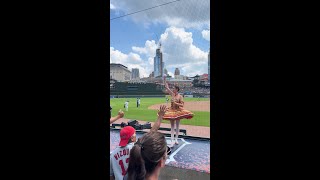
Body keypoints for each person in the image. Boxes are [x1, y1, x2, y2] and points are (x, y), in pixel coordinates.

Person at [124, 105, 168, 180]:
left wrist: (160, 117)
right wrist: (160, 117)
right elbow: (150, 134)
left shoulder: (137, 148)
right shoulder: (137, 148)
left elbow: (150, 135)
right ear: (161, 162)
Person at [163, 76, 194, 147]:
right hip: (171, 110)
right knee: (172, 126)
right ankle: (172, 140)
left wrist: (176, 103)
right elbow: (166, 87)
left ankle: (176, 139)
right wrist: (164, 80)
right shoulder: (172, 94)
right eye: (173, 88)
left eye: (174, 88)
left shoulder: (180, 96)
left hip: (178, 111)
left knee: (177, 126)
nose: (173, 89)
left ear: (177, 89)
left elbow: (182, 105)